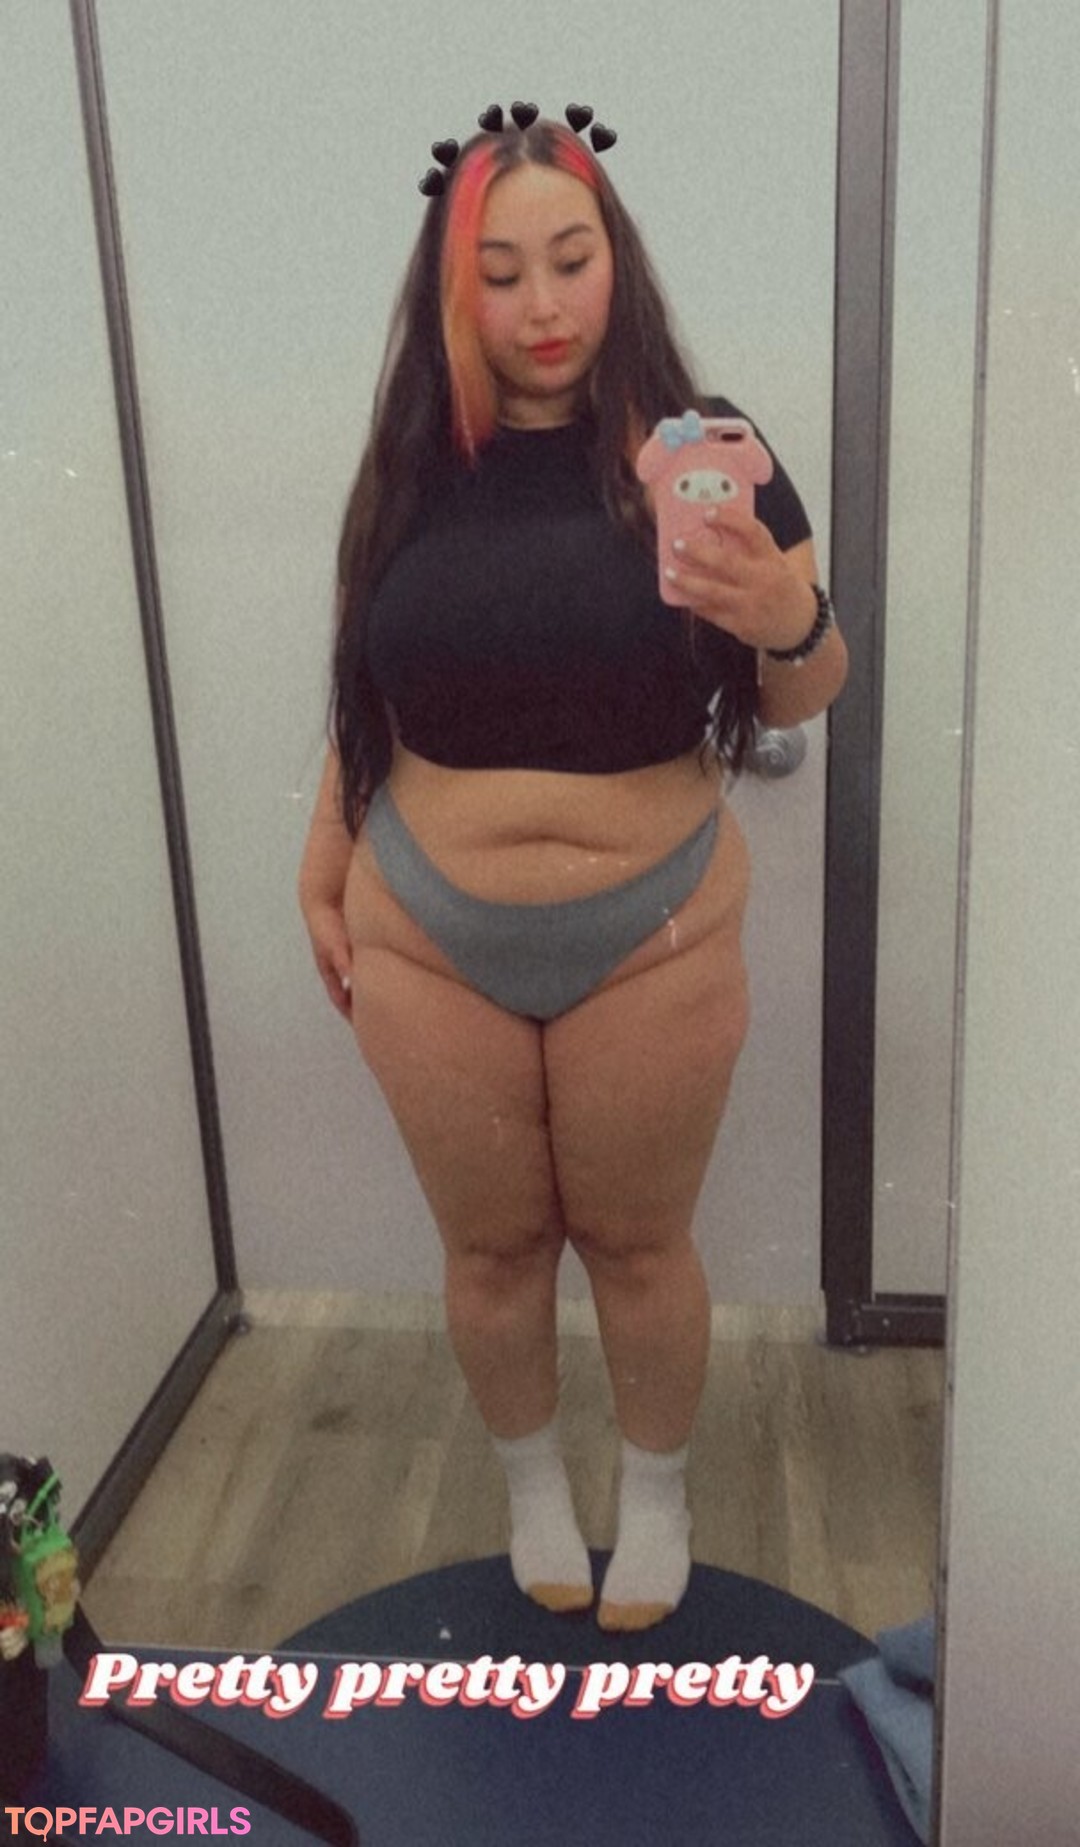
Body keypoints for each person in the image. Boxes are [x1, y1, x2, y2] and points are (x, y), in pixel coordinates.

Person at [298, 106, 848, 1632]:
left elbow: (806, 692)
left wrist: (783, 619)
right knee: (491, 1250)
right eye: (500, 275)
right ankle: (535, 1489)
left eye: (571, 259)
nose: (543, 306)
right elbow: (365, 692)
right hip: (423, 926)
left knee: (636, 1242)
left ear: (620, 260)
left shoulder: (706, 449)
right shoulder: (414, 464)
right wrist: (324, 857)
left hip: (650, 930)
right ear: (452, 292)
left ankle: (656, 1502)